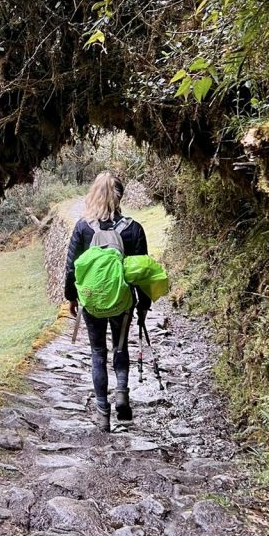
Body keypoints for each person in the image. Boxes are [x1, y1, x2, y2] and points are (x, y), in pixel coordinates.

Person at [64, 171, 150, 432]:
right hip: (123, 302)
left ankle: (103, 415)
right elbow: (142, 271)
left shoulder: (82, 228)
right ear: (120, 196)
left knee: (98, 353)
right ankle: (122, 392)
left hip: (92, 304)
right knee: (120, 348)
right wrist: (143, 304)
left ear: (94, 195)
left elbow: (71, 269)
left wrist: (71, 297)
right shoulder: (133, 229)